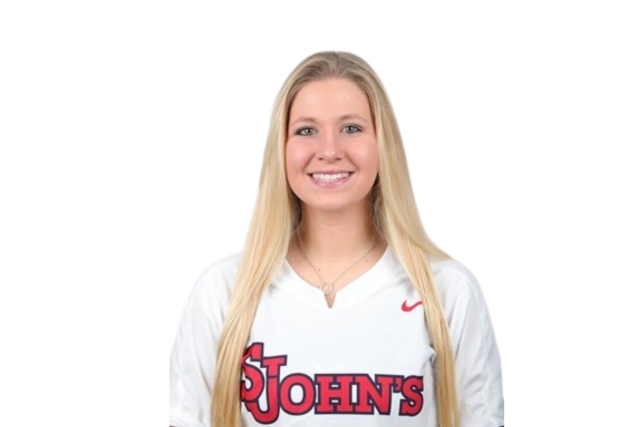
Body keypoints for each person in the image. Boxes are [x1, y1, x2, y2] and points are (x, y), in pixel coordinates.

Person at [170, 51, 504, 427]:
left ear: (383, 144)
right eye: (306, 130)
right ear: (281, 148)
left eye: (351, 128)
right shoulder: (222, 293)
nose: (329, 151)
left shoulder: (449, 292)